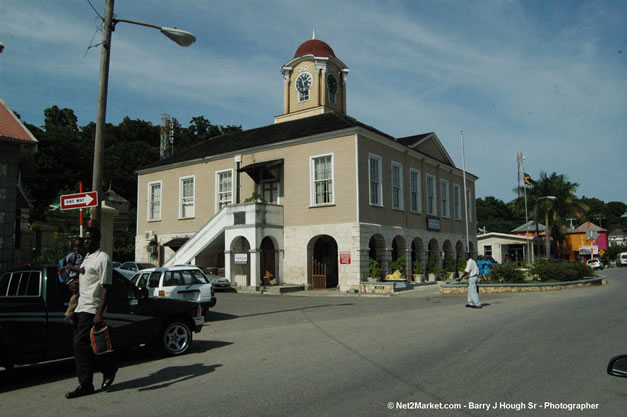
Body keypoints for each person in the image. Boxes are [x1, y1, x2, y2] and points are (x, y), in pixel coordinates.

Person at [66, 227, 118, 399]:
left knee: (79, 344)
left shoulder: (103, 259)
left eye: (89, 239)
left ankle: (86, 384)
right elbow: (85, 281)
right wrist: (73, 285)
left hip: (92, 308)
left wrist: (99, 313)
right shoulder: (86, 258)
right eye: (85, 239)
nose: (85, 242)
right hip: (80, 307)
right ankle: (107, 368)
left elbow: (106, 288)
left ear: (97, 240)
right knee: (84, 346)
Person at [64, 238, 85, 321]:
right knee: (75, 295)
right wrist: (79, 270)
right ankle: (69, 313)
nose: (78, 249)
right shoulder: (73, 255)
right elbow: (69, 265)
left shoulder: (84, 256)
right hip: (74, 278)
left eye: (80, 246)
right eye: (76, 246)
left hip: (79, 278)